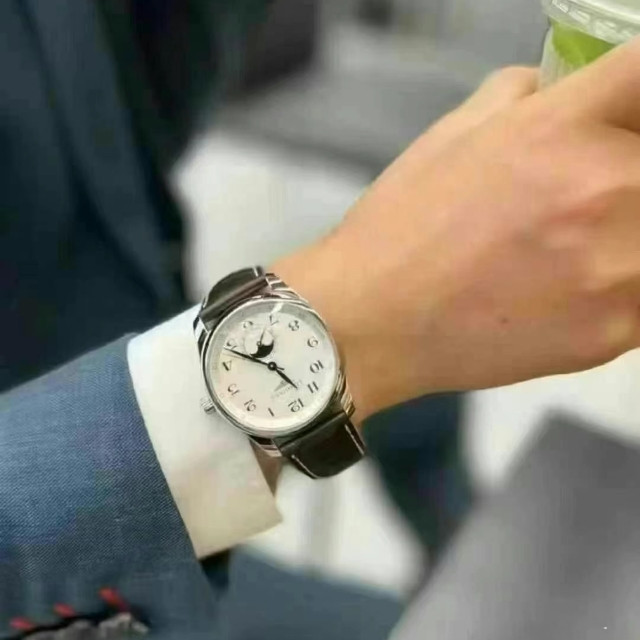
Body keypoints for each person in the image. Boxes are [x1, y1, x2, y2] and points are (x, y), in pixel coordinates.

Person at [4, 23, 640, 640]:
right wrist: (351, 326)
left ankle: (449, 527)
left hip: (130, 401)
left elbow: (138, 112)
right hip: (62, 537)